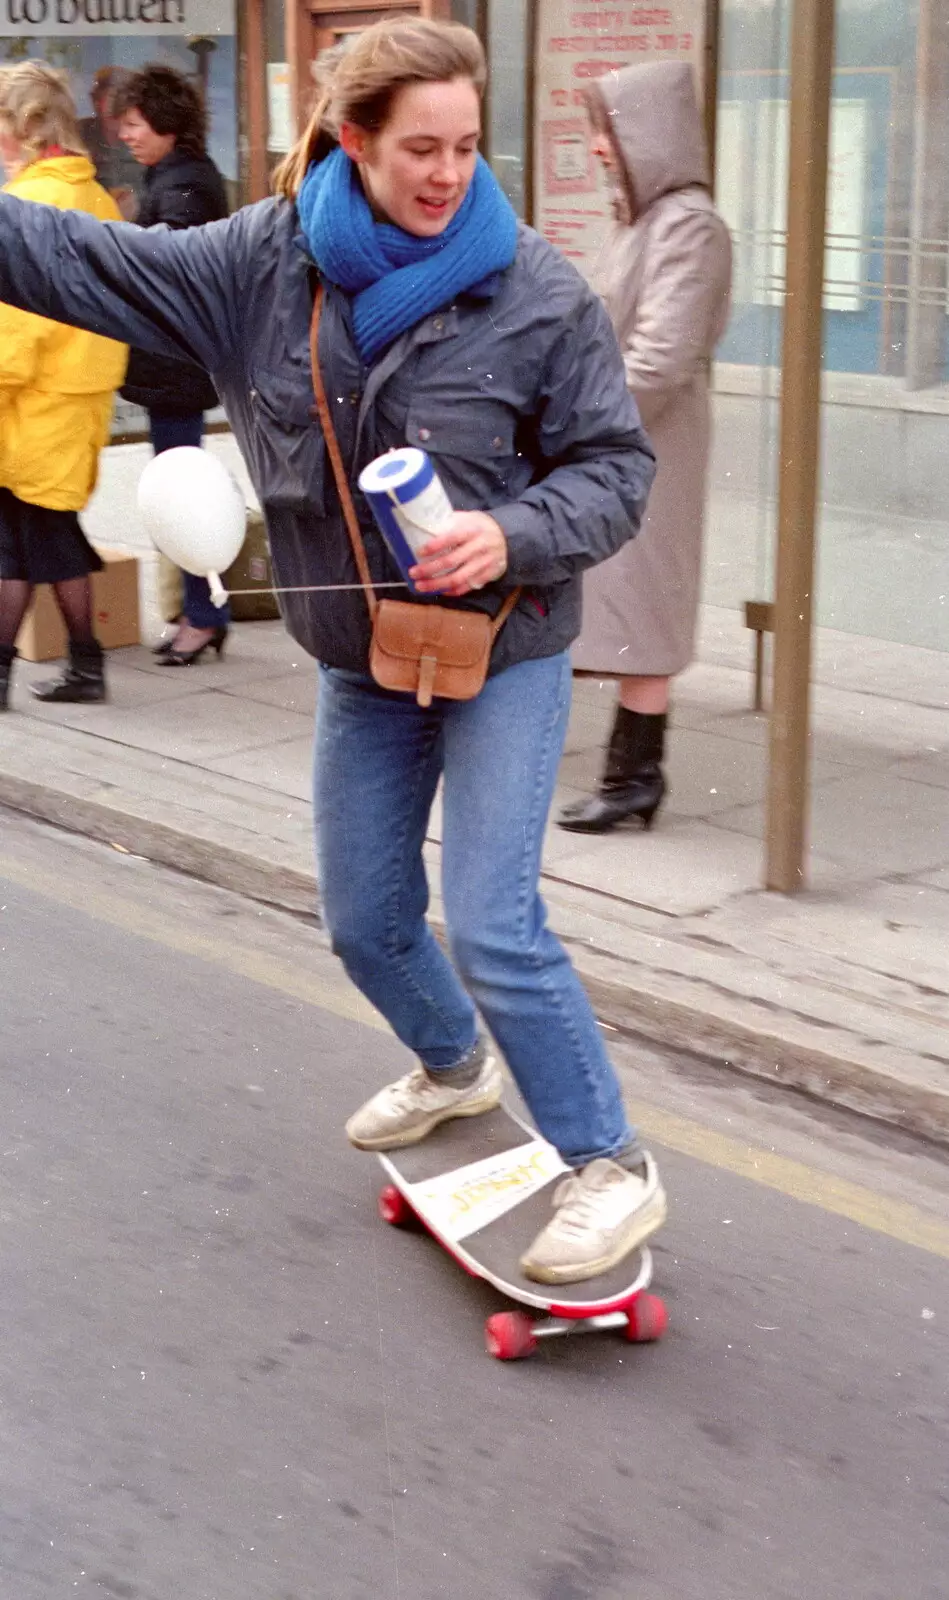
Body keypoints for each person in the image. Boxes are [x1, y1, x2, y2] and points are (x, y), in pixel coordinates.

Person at [0, 19, 667, 1284]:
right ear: (351, 140)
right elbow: (71, 257)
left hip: (503, 646)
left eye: (468, 146)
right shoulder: (258, 262)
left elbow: (617, 472)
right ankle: (455, 1066)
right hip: (362, 657)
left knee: (491, 921)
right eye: (421, 146)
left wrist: (510, 532)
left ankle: (608, 1163)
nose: (449, 173)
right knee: (364, 920)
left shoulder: (535, 288)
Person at [559, 62, 732, 835]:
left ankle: (633, 777)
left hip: (646, 443)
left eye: (607, 130)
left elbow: (658, 358)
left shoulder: (686, 224)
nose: (597, 148)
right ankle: (631, 777)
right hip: (624, 438)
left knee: (644, 609)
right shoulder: (647, 219)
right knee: (626, 607)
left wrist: (581, 420)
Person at [0, 61, 127, 711]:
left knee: (32, 539)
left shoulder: (29, 202)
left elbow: (16, 326)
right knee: (34, 537)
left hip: (33, 402)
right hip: (75, 399)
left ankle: (81, 666)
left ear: (21, 125)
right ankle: (77, 665)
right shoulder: (95, 196)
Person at [112, 63, 230, 666]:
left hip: (176, 364)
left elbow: (168, 264)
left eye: (134, 123)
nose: (126, 135)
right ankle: (200, 611)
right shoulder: (175, 175)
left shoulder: (185, 184)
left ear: (164, 122)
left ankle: (204, 616)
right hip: (173, 362)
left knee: (181, 491)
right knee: (177, 486)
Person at [78, 65, 140, 220]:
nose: (117, 105)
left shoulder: (142, 138)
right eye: (113, 96)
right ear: (97, 100)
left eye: (124, 97)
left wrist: (139, 202)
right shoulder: (77, 134)